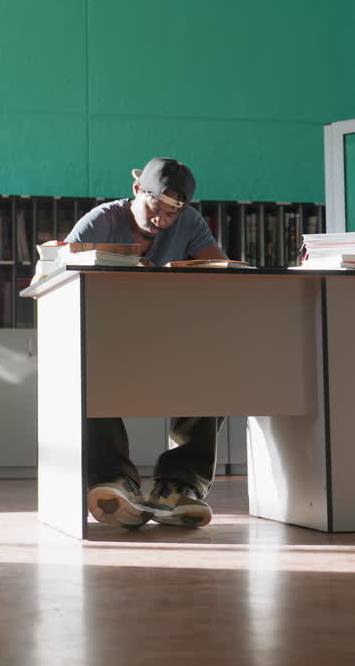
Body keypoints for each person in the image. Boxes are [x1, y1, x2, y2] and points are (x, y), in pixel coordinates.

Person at [63, 157, 229, 529]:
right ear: (138, 190)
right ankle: (114, 479)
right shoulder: (100, 221)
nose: (163, 221)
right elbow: (55, 278)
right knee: (86, 368)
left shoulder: (189, 223)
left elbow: (222, 273)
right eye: (157, 208)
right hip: (105, 333)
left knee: (212, 370)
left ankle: (178, 485)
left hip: (162, 334)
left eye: (173, 214)